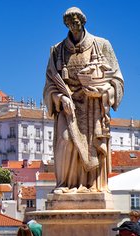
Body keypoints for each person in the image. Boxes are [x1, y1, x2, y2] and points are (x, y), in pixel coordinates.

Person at [44, 6, 124, 193]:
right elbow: (49, 84)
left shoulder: (102, 45)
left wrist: (104, 92)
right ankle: (67, 185)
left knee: (92, 146)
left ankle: (92, 186)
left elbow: (117, 79)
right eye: (69, 23)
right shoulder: (57, 50)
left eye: (76, 22)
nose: (73, 26)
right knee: (65, 141)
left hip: (94, 105)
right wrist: (60, 97)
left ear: (83, 22)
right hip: (67, 105)